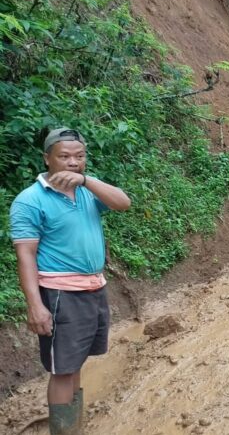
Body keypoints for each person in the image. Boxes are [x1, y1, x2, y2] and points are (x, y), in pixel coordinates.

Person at [10, 128, 131, 434]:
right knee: (63, 371)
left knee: (75, 364)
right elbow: (25, 255)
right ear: (47, 158)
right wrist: (35, 306)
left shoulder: (87, 191)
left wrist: (87, 181)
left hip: (93, 289)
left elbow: (123, 202)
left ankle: (72, 427)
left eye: (79, 156)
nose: (73, 162)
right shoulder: (30, 200)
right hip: (60, 295)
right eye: (64, 156)